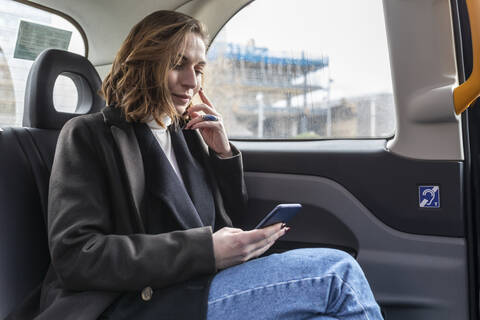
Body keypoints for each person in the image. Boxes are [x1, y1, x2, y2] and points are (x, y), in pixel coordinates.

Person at [30, 10, 383, 320]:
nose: (192, 81)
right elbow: (77, 255)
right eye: (177, 64)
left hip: (198, 285)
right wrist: (205, 250)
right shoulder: (88, 135)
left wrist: (222, 154)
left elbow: (221, 221)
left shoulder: (186, 134)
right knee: (338, 274)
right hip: (134, 303)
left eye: (198, 69)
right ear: (143, 63)